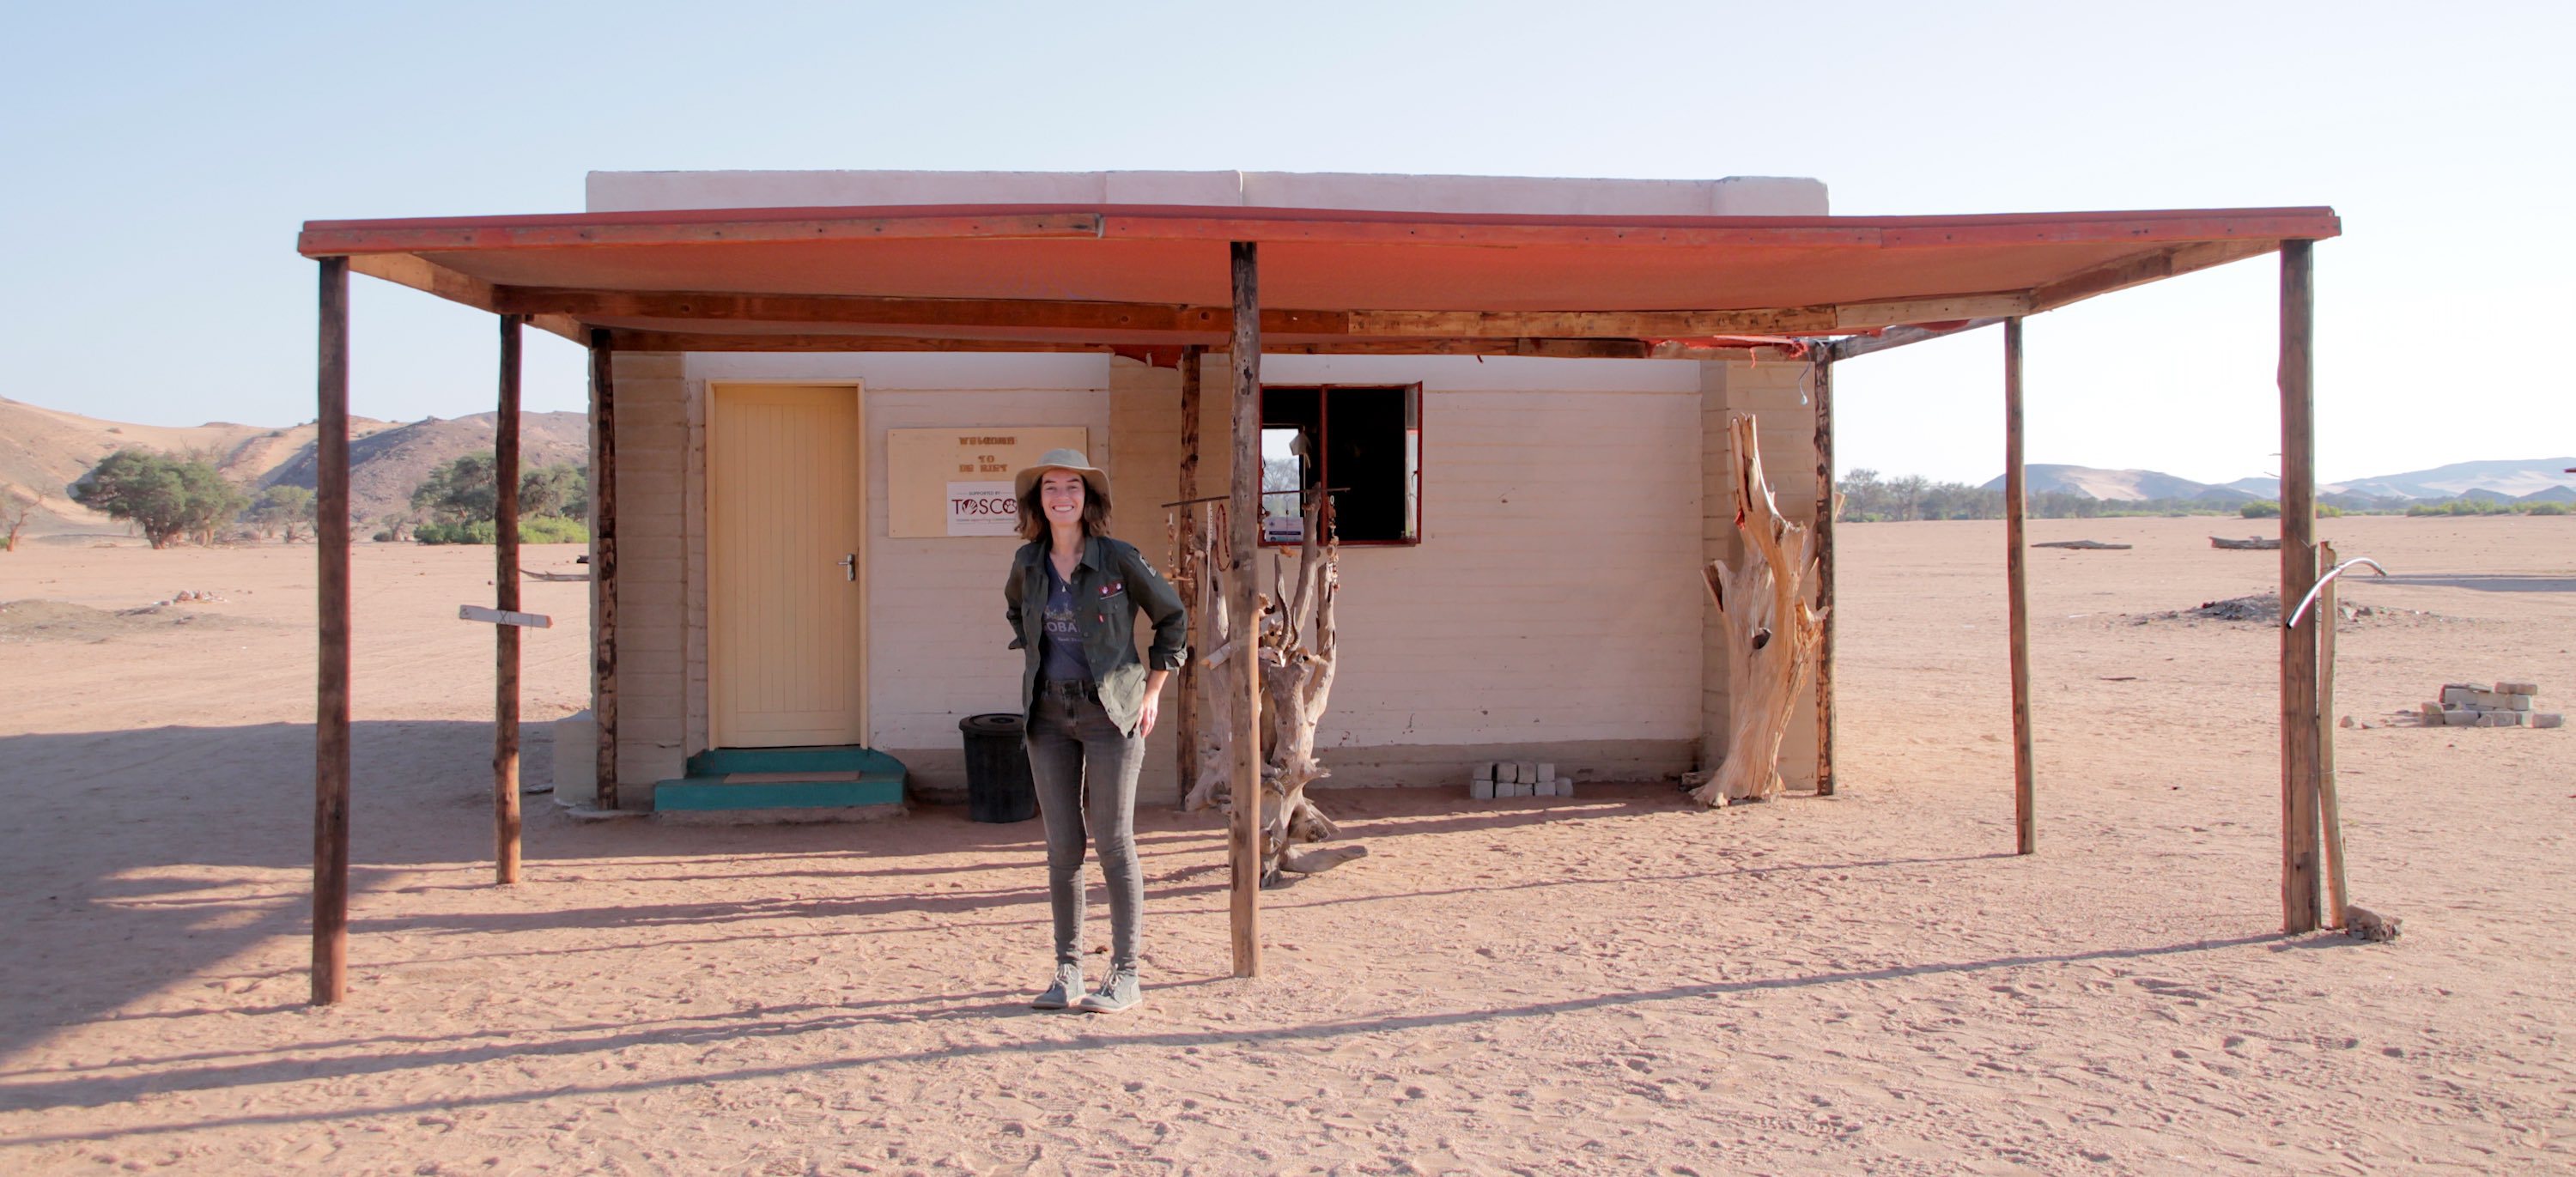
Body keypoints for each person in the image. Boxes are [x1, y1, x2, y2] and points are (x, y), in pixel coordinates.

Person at [1002, 448, 1187, 1013]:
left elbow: (1173, 617)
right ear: (1039, 500)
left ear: (1088, 498)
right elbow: (1017, 613)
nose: (1063, 496)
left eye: (1073, 486)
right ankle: (1068, 972)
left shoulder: (1118, 559)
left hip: (1113, 713)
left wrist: (1152, 691)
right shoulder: (1027, 564)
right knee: (1063, 848)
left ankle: (1126, 974)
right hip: (1048, 716)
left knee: (1113, 841)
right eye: (1051, 487)